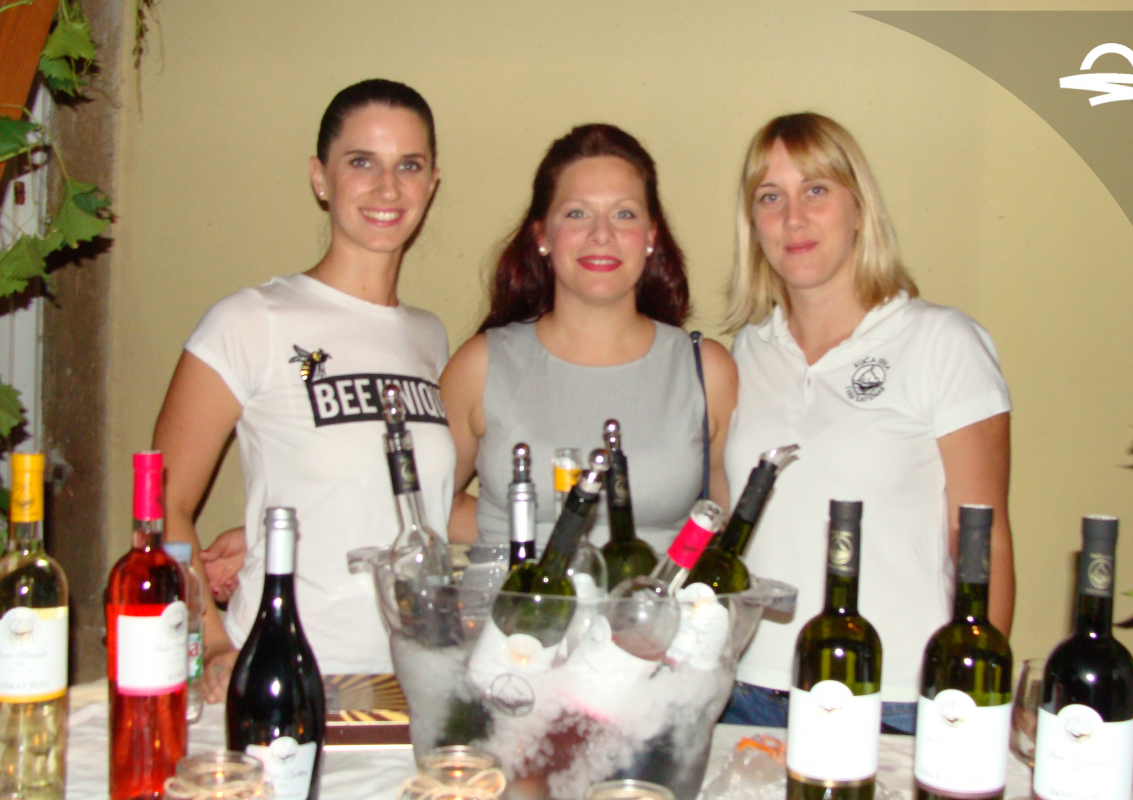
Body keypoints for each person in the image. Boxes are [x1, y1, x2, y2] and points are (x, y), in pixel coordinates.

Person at [152, 79, 452, 703]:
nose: (388, 188)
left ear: (431, 184)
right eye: (362, 162)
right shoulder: (250, 321)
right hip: (285, 674)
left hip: (412, 680)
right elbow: (161, 504)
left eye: (409, 165)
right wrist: (213, 642)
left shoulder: (430, 337)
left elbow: (422, 505)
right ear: (320, 178)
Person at [720, 113, 1014, 732]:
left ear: (859, 208)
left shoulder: (941, 341)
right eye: (770, 197)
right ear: (753, 225)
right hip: (746, 691)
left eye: (816, 190)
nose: (793, 218)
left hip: (894, 698)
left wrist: (971, 713)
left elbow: (982, 542)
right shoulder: (745, 352)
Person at [440, 124, 737, 554]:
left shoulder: (706, 371)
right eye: (577, 213)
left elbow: (726, 529)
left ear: (651, 235)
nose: (602, 234)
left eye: (624, 214)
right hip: (514, 599)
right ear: (542, 235)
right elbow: (429, 506)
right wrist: (515, 535)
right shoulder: (481, 364)